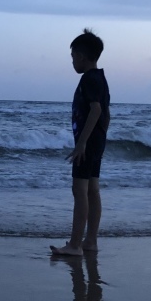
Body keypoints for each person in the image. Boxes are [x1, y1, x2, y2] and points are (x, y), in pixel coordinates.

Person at [51, 29, 110, 257]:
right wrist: (99, 138)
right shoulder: (101, 79)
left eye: (73, 56)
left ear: (82, 56)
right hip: (97, 142)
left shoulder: (89, 79)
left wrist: (81, 143)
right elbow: (106, 112)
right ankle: (90, 241)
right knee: (92, 190)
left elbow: (95, 110)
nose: (73, 61)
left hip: (88, 143)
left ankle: (75, 244)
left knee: (79, 190)